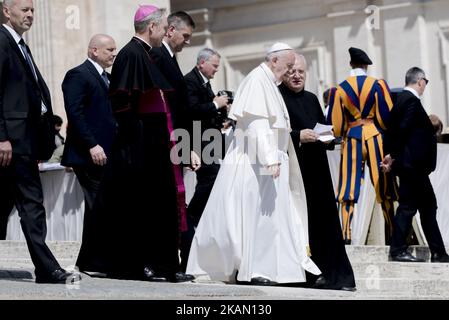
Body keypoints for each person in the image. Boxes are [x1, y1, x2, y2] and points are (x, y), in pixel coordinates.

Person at [186, 43, 321, 286]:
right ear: (274, 61)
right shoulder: (258, 80)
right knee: (256, 216)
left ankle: (267, 268)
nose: (290, 72)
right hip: (256, 163)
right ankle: (255, 269)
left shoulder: (268, 81)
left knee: (265, 218)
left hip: (266, 160)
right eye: (288, 66)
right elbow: (258, 125)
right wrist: (270, 158)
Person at [104, 4, 194, 282]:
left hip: (155, 142)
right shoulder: (131, 54)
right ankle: (147, 265)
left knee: (162, 206)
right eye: (163, 25)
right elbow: (122, 104)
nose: (165, 31)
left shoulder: (146, 54)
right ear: (152, 27)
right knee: (145, 208)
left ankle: (167, 266)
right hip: (140, 144)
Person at [0, 0, 78, 283]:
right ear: (7, 11)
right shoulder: (2, 41)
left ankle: (45, 267)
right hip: (12, 142)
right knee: (32, 204)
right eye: (25, 9)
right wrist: (2, 138)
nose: (31, 15)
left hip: (25, 142)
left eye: (33, 10)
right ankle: (46, 268)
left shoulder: (22, 45)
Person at [279, 54, 356, 291]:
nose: (297, 75)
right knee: (303, 223)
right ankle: (310, 275)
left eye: (301, 71)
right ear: (283, 73)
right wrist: (296, 136)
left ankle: (337, 276)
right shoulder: (277, 97)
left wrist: (328, 137)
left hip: (318, 170)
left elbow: (321, 126)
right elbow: (269, 134)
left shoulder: (312, 98)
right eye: (292, 71)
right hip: (294, 171)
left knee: (325, 221)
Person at [327, 47, 397, 244]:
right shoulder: (377, 85)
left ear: (351, 64)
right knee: (383, 183)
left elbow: (337, 126)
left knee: (348, 184)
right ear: (366, 65)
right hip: (374, 136)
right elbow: (385, 118)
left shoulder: (339, 89)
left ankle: (346, 233)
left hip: (352, 137)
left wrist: (344, 131)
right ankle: (392, 231)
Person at [148, 11, 200, 272]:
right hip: (165, 142)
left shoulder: (169, 57)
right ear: (170, 30)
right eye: (186, 36)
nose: (187, 42)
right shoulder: (157, 56)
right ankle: (162, 262)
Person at [61, 34, 117, 273]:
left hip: (106, 153)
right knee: (97, 205)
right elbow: (75, 114)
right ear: (94, 50)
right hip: (88, 154)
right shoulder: (78, 75)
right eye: (109, 49)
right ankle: (95, 262)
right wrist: (92, 145)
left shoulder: (108, 78)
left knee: (100, 205)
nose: (114, 53)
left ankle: (88, 260)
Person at [382, 67, 449, 263]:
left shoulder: (401, 100)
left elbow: (393, 130)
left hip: (412, 166)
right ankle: (398, 249)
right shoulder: (410, 101)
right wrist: (393, 156)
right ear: (420, 81)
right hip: (413, 167)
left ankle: (438, 252)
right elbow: (402, 130)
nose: (425, 87)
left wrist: (391, 156)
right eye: (425, 83)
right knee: (409, 207)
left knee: (427, 207)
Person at [182, 48, 230, 269]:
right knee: (210, 180)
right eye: (214, 65)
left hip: (209, 142)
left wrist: (221, 113)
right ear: (202, 63)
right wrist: (215, 105)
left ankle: (195, 220)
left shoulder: (204, 82)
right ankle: (189, 218)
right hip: (197, 144)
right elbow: (190, 110)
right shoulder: (190, 81)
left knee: (212, 182)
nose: (217, 69)